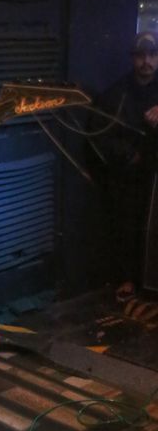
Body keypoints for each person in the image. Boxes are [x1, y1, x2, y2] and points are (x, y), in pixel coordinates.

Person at [92, 31, 158, 301]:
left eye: (152, 55)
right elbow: (99, 135)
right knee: (127, 224)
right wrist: (129, 156)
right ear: (132, 58)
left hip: (155, 172)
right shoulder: (117, 93)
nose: (147, 61)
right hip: (131, 173)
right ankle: (128, 278)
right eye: (141, 55)